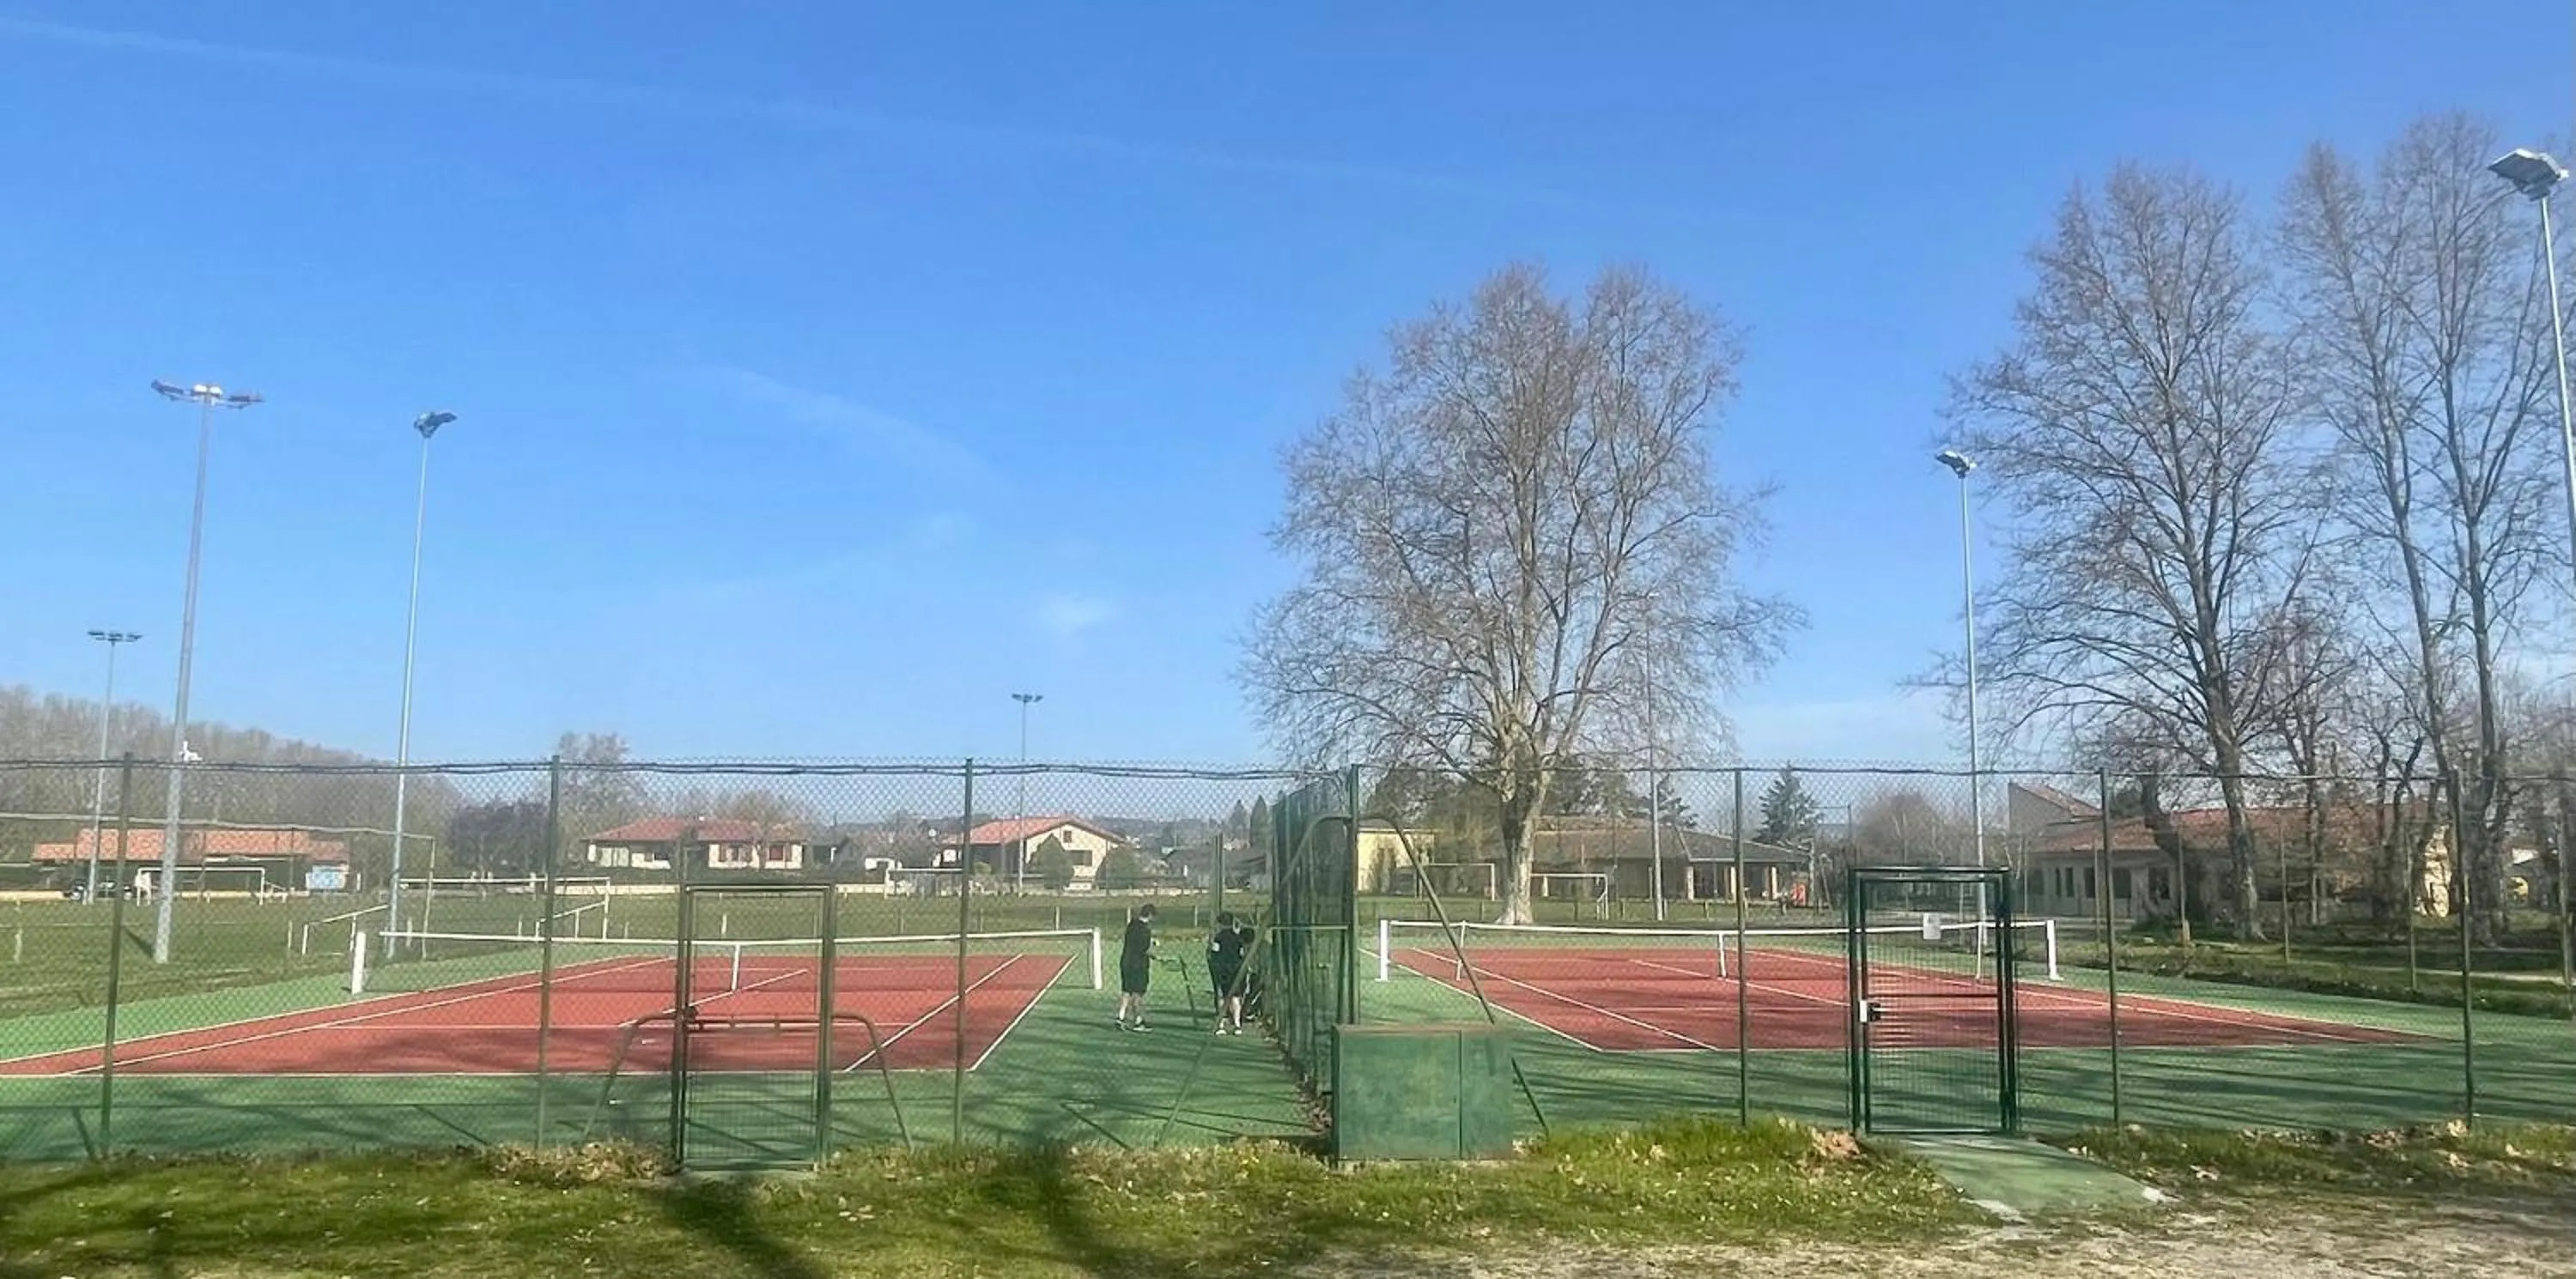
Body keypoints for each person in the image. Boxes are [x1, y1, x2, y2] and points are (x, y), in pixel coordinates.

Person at [1206, 911, 1252, 1034]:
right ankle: (1237, 1025)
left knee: (1222, 997)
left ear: (1220, 924)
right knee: (1235, 997)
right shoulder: (1238, 938)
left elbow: (1215, 954)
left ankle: (1221, 1024)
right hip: (1236, 969)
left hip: (1222, 970)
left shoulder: (1218, 938)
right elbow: (1242, 954)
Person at [1115, 902, 1157, 1032]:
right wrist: (1156, 956)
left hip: (1126, 962)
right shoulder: (1145, 930)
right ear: (1150, 915)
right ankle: (1138, 1021)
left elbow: (1134, 942)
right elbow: (1144, 950)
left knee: (1126, 991)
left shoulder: (1131, 925)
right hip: (1138, 965)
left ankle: (1120, 1017)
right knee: (1137, 993)